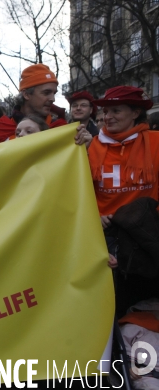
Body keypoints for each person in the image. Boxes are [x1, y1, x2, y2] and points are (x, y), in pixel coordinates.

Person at [89, 86, 159, 316]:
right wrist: (95, 217)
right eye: (105, 111)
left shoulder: (156, 142)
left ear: (135, 113)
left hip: (148, 240)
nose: (108, 117)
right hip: (107, 240)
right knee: (111, 310)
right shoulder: (89, 148)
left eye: (116, 111)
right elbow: (80, 192)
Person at [0, 64, 68, 143]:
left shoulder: (60, 128)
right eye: (46, 93)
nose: (53, 99)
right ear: (26, 94)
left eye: (54, 93)